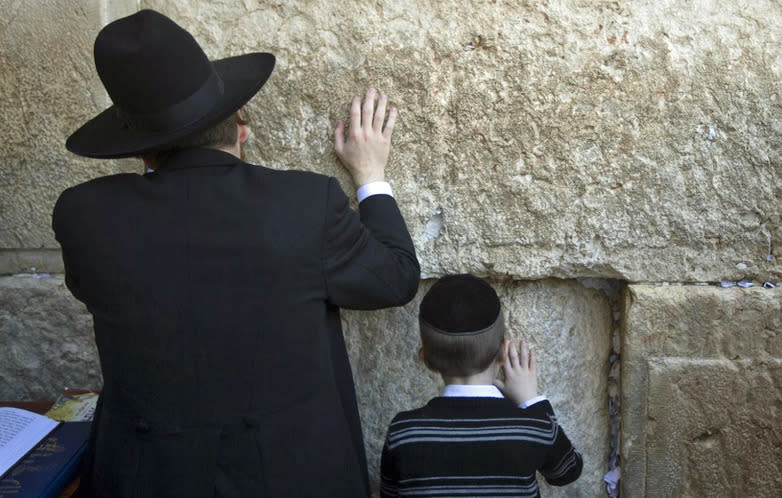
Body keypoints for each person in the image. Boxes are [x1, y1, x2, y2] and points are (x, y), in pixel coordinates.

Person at [53, 9, 419, 498]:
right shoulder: (306, 203)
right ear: (240, 127)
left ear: (138, 147)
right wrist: (371, 176)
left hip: (147, 476)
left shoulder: (83, 215)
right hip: (291, 476)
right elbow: (394, 278)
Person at [380, 274, 582, 497]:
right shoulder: (534, 428)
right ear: (504, 352)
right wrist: (532, 401)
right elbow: (567, 471)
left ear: (426, 358)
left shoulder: (403, 432)